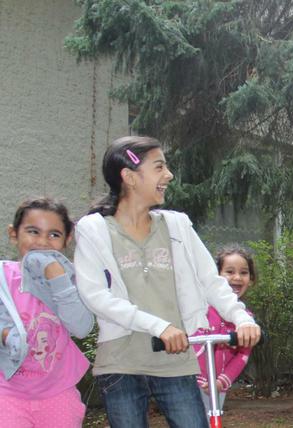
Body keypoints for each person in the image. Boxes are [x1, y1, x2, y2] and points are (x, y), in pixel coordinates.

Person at [74, 136, 261, 428]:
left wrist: (241, 318)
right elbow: (95, 296)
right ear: (129, 177)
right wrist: (159, 327)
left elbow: (210, 281)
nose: (169, 175)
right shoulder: (94, 229)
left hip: (176, 359)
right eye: (159, 167)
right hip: (121, 361)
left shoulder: (177, 225)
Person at [0, 198, 94, 427]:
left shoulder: (70, 280)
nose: (42, 242)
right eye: (33, 231)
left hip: (58, 392)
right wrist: (5, 335)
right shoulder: (3, 277)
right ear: (14, 234)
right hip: (6, 393)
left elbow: (81, 328)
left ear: (67, 240)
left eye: (54, 234)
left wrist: (57, 278)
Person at [192, 245, 256, 416]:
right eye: (229, 271)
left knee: (212, 419)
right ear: (216, 277)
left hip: (217, 386)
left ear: (251, 279)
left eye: (244, 272)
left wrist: (221, 382)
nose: (237, 277)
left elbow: (242, 356)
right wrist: (199, 378)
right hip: (191, 382)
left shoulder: (245, 320)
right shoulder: (201, 309)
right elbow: (193, 342)